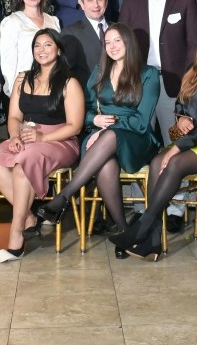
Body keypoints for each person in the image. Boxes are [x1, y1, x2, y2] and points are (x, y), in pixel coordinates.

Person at [113, 23, 197, 260]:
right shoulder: (194, 71)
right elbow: (181, 102)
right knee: (156, 162)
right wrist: (181, 116)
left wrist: (177, 147)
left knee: (174, 163)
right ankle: (151, 242)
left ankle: (141, 229)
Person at [36, 23, 158, 239]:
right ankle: (124, 231)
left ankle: (63, 197)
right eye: (108, 42)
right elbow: (84, 112)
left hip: (136, 140)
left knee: (110, 136)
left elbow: (141, 121)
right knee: (106, 165)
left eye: (117, 41)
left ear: (128, 42)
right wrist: (95, 119)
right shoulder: (99, 72)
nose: (112, 46)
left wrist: (109, 127)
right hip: (101, 140)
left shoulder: (148, 74)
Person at [0, 28, 85, 260]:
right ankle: (29, 217)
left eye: (48, 44)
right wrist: (14, 137)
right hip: (25, 136)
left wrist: (42, 138)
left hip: (60, 140)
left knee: (23, 163)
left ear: (58, 49)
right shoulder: (23, 78)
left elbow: (75, 126)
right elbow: (14, 118)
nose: (42, 50)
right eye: (37, 46)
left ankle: (16, 233)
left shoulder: (70, 83)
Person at [120, 0, 197, 140]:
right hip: (140, 82)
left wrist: (188, 82)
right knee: (139, 141)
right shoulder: (131, 1)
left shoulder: (185, 0)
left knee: (173, 141)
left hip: (174, 83)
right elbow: (123, 43)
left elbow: (194, 45)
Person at [0, 0, 61, 95]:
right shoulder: (12, 22)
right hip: (25, 88)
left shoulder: (53, 21)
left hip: (52, 86)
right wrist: (14, 93)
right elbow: (8, 62)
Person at [60, 0, 110, 87]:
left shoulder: (118, 29)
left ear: (106, 2)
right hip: (88, 97)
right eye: (90, 0)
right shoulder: (71, 33)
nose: (95, 5)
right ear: (82, 4)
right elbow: (66, 72)